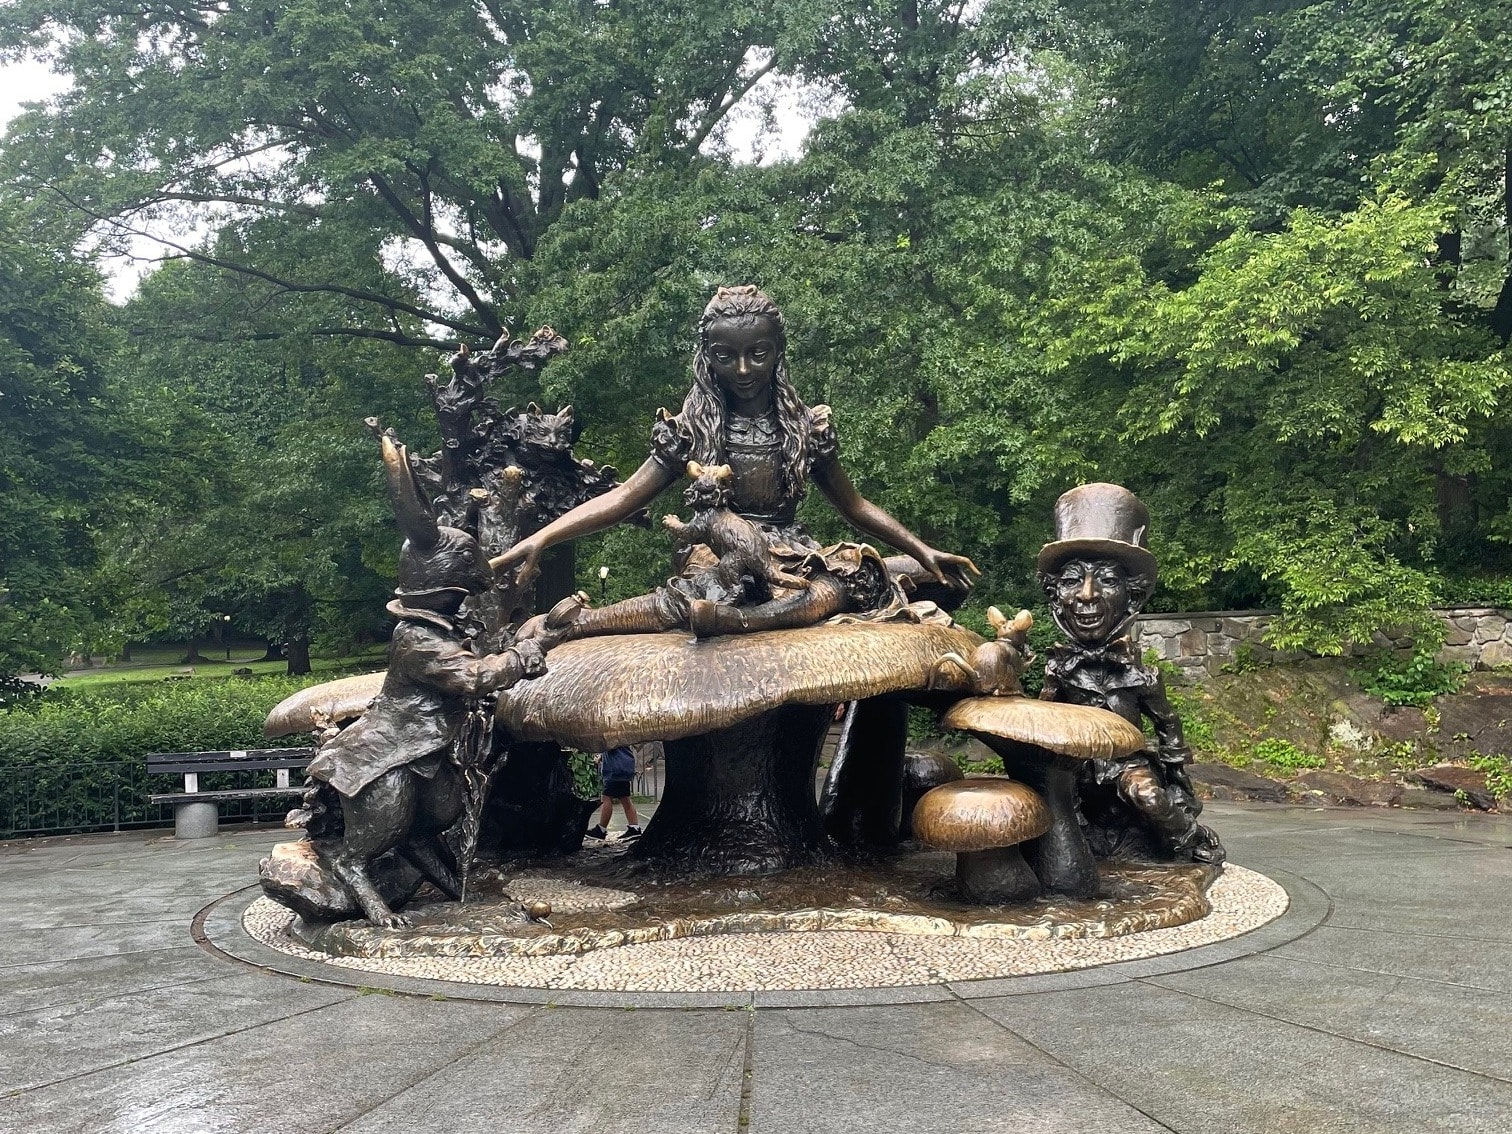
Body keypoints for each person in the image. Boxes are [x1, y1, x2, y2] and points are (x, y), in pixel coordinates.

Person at [493, 285, 978, 638]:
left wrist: (922, 551)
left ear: (777, 353)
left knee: (841, 582)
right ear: (708, 358)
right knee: (710, 586)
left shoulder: (806, 427)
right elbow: (623, 497)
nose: (743, 370)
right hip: (717, 546)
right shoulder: (689, 429)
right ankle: (580, 623)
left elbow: (854, 505)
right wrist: (542, 537)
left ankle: (734, 621)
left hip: (789, 550)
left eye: (757, 354)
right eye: (726, 356)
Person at [1035, 483, 1224, 865]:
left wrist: (1178, 782)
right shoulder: (1059, 668)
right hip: (1074, 768)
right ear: (1056, 596)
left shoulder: (1141, 675)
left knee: (1149, 798)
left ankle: (1188, 837)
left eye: (1106, 579)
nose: (1087, 595)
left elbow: (1167, 723)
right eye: (1072, 580)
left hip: (1127, 764)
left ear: (1131, 596)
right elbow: (1041, 728)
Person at [585, 744, 641, 840]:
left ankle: (601, 829)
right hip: (623, 767)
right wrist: (602, 756)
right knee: (624, 797)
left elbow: (608, 744)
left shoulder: (612, 733)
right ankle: (634, 828)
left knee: (606, 797)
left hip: (615, 769)